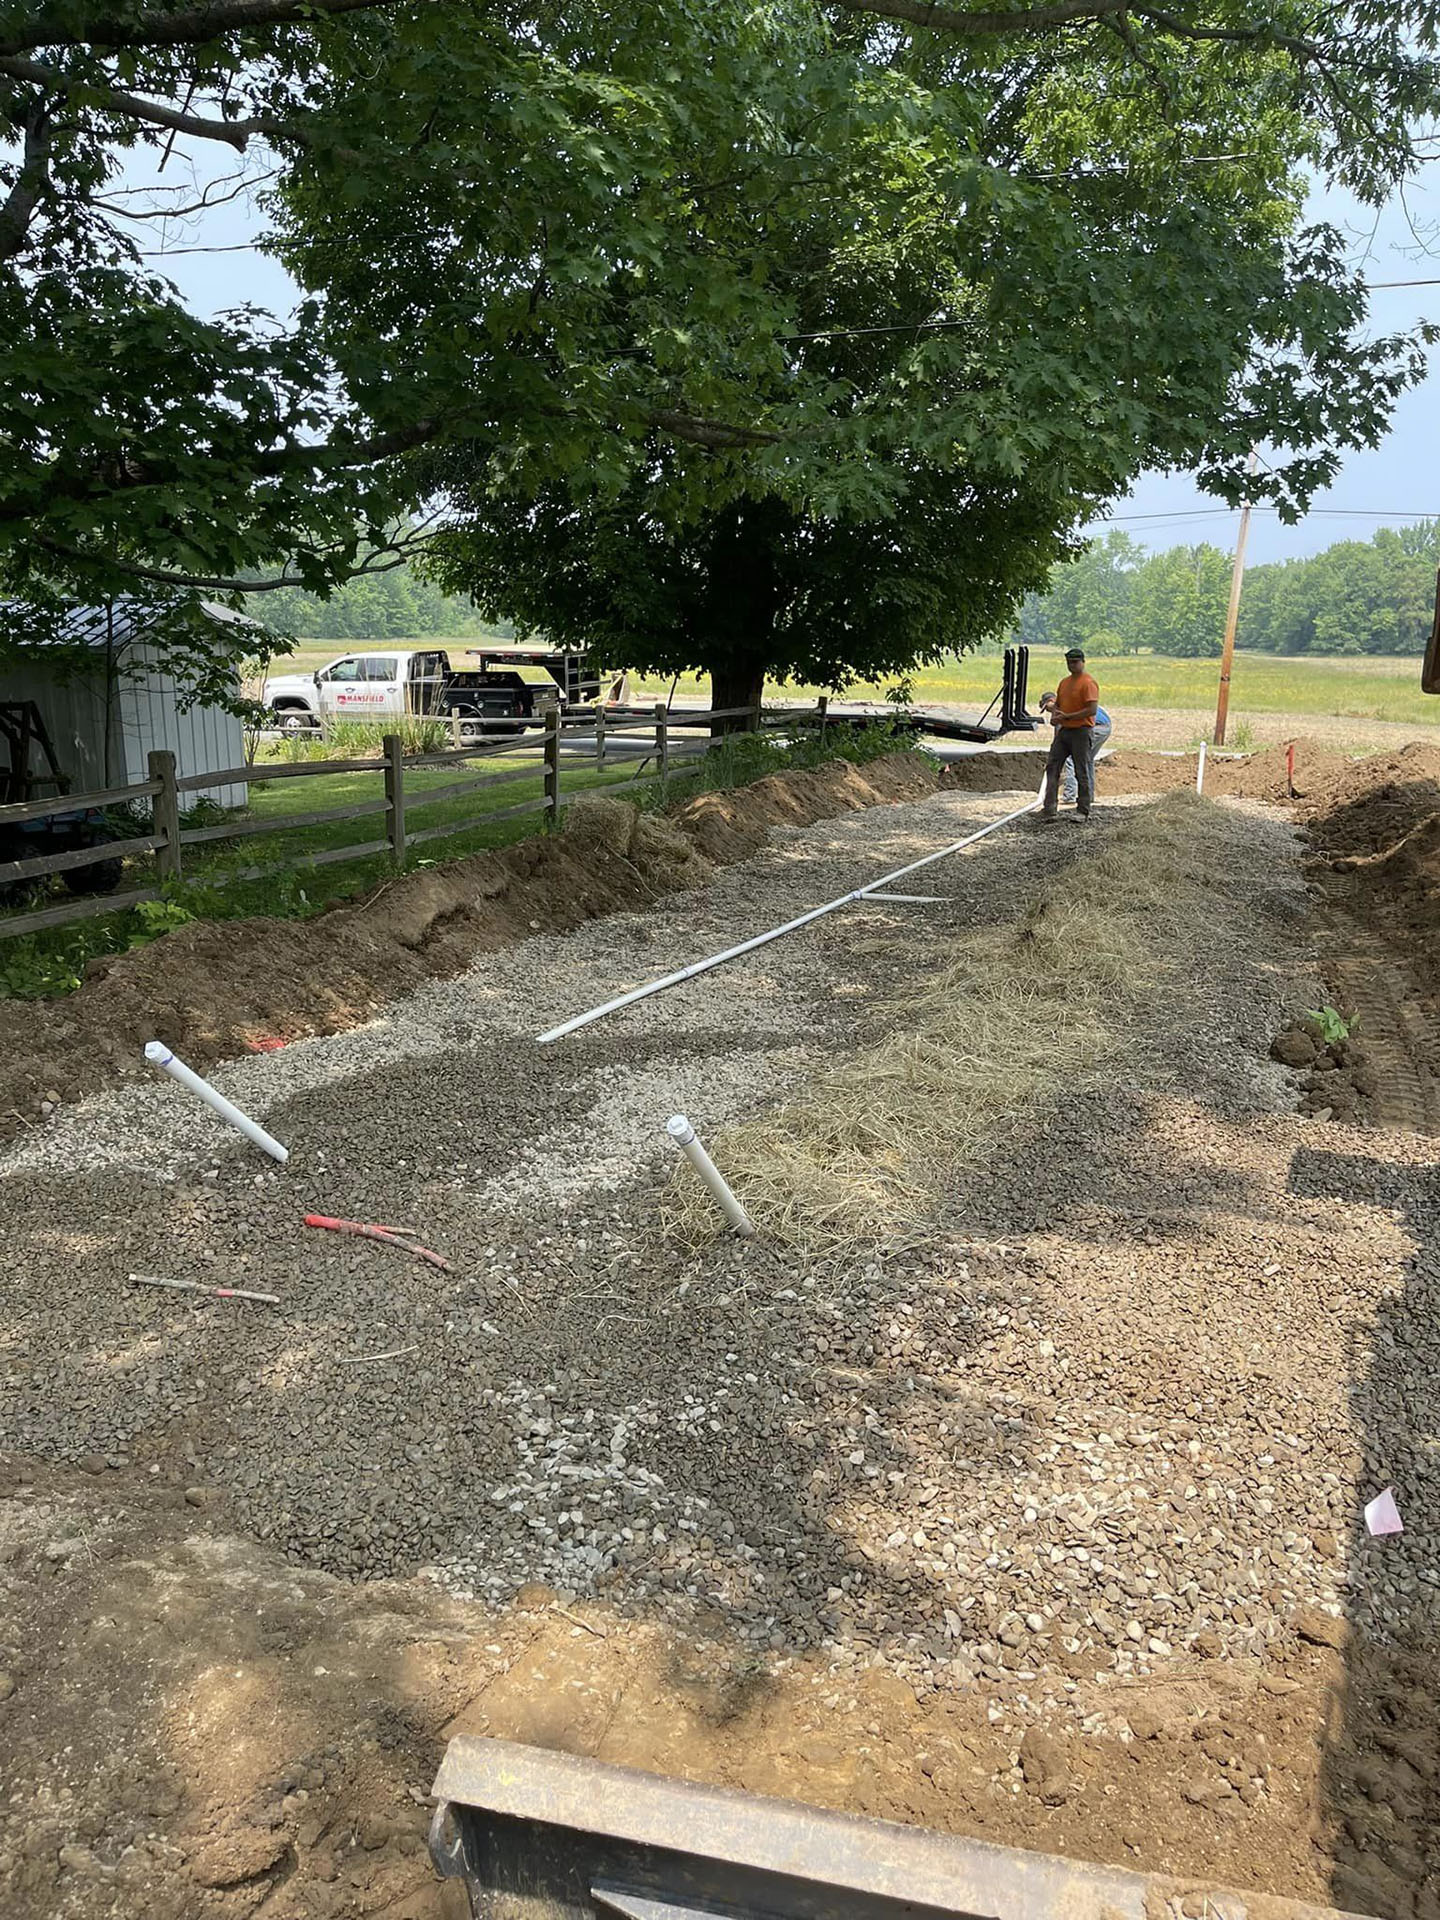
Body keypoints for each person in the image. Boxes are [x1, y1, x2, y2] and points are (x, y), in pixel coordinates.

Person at [1040, 647, 1099, 821]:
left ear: (1082, 662)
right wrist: (1056, 715)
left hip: (1081, 731)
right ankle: (1049, 808)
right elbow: (1060, 705)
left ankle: (1082, 810)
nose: (1072, 665)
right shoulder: (1064, 683)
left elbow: (1091, 709)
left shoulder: (1088, 683)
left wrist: (1068, 716)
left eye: (1075, 662)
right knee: (1052, 766)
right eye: (1069, 662)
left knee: (1081, 770)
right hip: (1065, 731)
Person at [1038, 687, 1111, 804]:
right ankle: (1089, 796)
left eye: (1047, 708)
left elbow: (1059, 738)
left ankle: (1069, 796)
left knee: (1071, 759)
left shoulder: (1061, 706)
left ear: (1051, 701)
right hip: (1105, 727)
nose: (1048, 711)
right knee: (1088, 760)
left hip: (1095, 727)